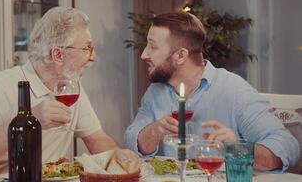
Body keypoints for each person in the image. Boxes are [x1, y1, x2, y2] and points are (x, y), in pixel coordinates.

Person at [0, 7, 138, 174]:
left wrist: (118, 154)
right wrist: (26, 122)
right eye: (86, 49)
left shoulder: (71, 88)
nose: (93, 58)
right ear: (57, 55)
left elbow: (96, 139)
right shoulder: (0, 87)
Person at [124, 12, 300, 172]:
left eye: (153, 47)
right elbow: (130, 144)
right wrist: (155, 131)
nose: (144, 55)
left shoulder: (233, 90)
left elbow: (288, 146)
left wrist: (236, 149)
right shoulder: (156, 92)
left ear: (180, 56)